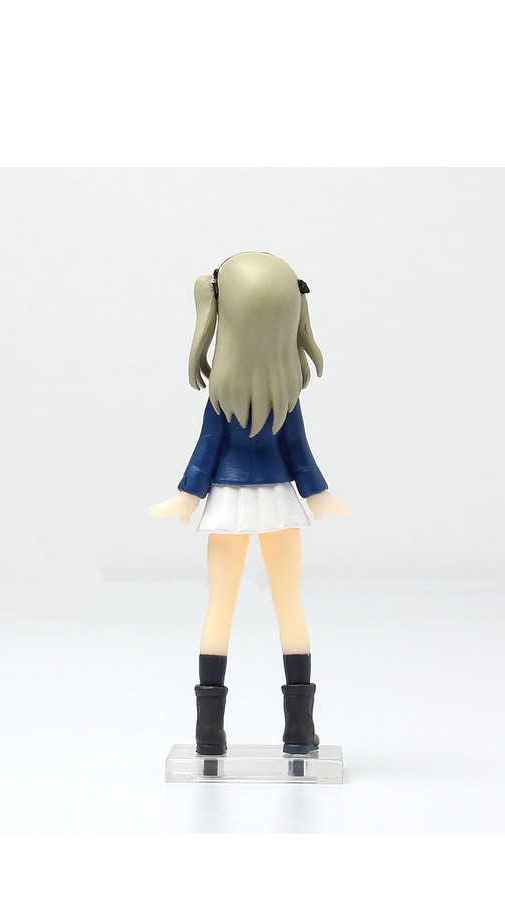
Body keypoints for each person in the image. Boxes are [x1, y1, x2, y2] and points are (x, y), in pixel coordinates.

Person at [151, 252, 353, 757]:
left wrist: (186, 496)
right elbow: (299, 453)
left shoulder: (224, 396)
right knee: (288, 604)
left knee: (221, 605)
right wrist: (318, 494)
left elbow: (206, 450)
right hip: (279, 502)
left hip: (228, 502)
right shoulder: (285, 396)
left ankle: (210, 732)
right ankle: (298, 730)